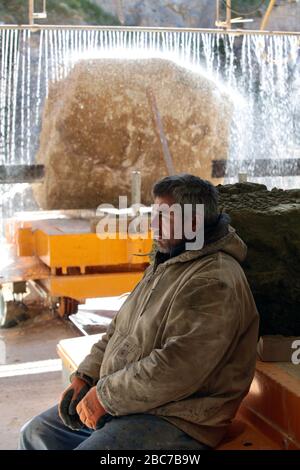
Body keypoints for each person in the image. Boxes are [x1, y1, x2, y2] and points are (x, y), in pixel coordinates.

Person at [19, 174, 259, 450]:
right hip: (130, 403)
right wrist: (84, 377)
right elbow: (117, 330)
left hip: (177, 418)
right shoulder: (167, 262)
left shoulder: (213, 280)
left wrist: (105, 398)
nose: (153, 225)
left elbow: (177, 369)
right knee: (35, 433)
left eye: (164, 217)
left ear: (193, 223)